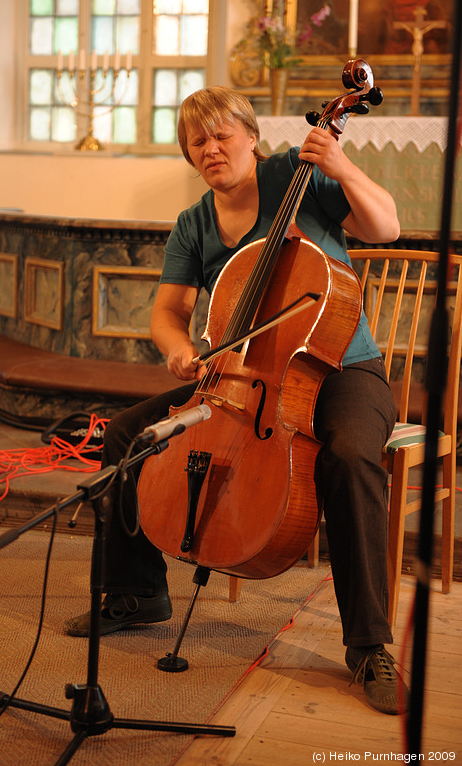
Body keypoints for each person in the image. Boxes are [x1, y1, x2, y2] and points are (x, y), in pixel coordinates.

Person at [65, 86, 409, 715]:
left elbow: (385, 226)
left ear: (252, 136)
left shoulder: (299, 178)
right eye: (198, 140)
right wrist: (175, 350)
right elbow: (169, 313)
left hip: (342, 369)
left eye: (222, 134)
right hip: (241, 378)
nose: (211, 148)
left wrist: (341, 165)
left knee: (353, 456)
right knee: (127, 436)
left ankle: (369, 646)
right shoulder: (195, 222)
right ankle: (136, 592)